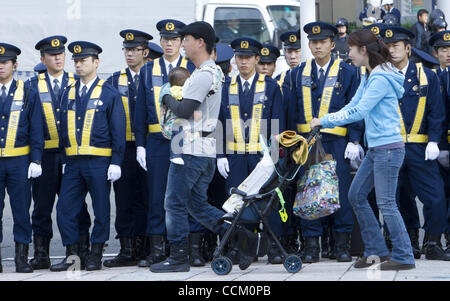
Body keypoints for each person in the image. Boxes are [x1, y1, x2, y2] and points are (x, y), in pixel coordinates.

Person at [310, 28, 415, 271]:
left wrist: (323, 121)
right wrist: (326, 118)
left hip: (388, 148)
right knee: (355, 195)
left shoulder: (380, 78)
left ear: (363, 50)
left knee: (387, 203)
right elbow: (353, 103)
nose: (349, 54)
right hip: (377, 148)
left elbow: (358, 112)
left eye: (351, 49)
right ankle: (376, 251)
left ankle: (404, 254)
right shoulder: (369, 75)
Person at [149, 21, 227, 273]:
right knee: (195, 204)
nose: (183, 43)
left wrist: (166, 95)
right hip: (201, 148)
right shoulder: (208, 71)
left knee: (174, 203)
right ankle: (236, 233)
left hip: (190, 148)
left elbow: (184, 109)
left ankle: (179, 257)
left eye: (187, 39)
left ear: (200, 42)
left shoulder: (204, 74)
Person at [134, 19, 206, 268]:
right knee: (157, 196)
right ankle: (158, 250)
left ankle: (191, 250)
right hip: (156, 140)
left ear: (181, 42)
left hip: (186, 139)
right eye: (165, 39)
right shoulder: (147, 69)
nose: (169, 43)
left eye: (174, 39)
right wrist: (140, 144)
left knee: (189, 193)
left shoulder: (193, 67)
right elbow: (140, 108)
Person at [288, 22, 362, 263]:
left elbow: (355, 108)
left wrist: (355, 139)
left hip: (336, 142)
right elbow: (292, 110)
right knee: (309, 191)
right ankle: (311, 245)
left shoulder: (348, 72)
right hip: (306, 143)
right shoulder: (297, 73)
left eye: (322, 42)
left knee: (339, 191)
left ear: (332, 44)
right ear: (309, 45)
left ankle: (341, 244)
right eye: (313, 42)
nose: (317, 46)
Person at [50, 41, 126, 272]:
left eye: (83, 60)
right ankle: (73, 254)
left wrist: (116, 161)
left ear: (96, 62)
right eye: (76, 61)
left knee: (101, 209)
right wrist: (64, 160)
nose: (79, 64)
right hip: (73, 163)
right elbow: (63, 129)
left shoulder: (109, 92)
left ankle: (95, 254)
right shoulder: (68, 92)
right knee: (64, 209)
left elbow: (118, 129)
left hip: (99, 162)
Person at [381, 26, 450, 261]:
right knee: (397, 198)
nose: (391, 50)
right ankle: (407, 241)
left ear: (408, 48)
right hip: (391, 148)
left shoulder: (427, 75)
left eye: (396, 46)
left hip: (420, 149)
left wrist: (434, 141)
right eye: (388, 46)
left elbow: (437, 112)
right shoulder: (380, 75)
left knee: (436, 196)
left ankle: (432, 241)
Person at [216, 37, 285, 265]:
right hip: (235, 156)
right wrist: (220, 155)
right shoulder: (227, 87)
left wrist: (274, 155)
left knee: (268, 201)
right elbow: (219, 123)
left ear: (257, 59)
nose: (243, 62)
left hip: (261, 156)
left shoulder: (271, 86)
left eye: (248, 58)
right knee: (237, 202)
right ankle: (239, 248)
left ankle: (274, 246)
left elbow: (278, 123)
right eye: (240, 57)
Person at [27, 35, 92, 270]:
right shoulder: (32, 85)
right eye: (52, 55)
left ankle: (78, 252)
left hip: (71, 156)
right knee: (42, 206)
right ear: (43, 59)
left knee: (76, 206)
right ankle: (41, 253)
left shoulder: (76, 82)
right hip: (44, 156)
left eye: (61, 54)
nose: (58, 58)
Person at [103, 30, 152, 268]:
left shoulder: (152, 76)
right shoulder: (114, 80)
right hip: (123, 148)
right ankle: (126, 248)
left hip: (148, 146)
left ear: (145, 52)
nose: (130, 54)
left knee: (147, 196)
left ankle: (147, 247)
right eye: (127, 50)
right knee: (123, 198)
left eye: (134, 50)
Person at [0, 43, 44, 273]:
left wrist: (36, 159)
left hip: (19, 161)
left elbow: (36, 128)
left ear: (14, 65)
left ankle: (21, 258)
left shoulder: (27, 91)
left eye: (5, 62)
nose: (0, 67)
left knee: (21, 211)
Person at [160, 66, 191, 165]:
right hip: (174, 122)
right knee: (178, 133)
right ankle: (175, 155)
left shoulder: (167, 88)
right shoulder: (177, 91)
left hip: (167, 124)